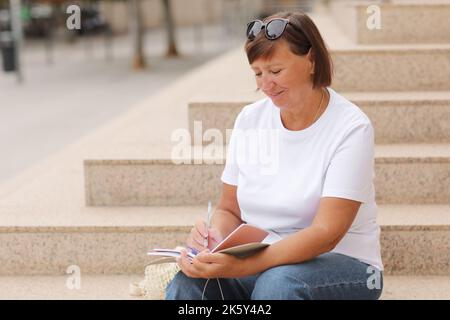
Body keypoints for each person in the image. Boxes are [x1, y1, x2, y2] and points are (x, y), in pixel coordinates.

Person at [166, 11, 383, 300]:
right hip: (261, 263)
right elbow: (229, 210)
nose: (266, 84)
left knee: (277, 285)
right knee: (187, 284)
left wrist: (245, 265)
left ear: (311, 60)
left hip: (343, 265)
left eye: (276, 71)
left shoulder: (351, 128)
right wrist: (213, 241)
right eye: (258, 73)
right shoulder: (250, 120)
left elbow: (327, 233)